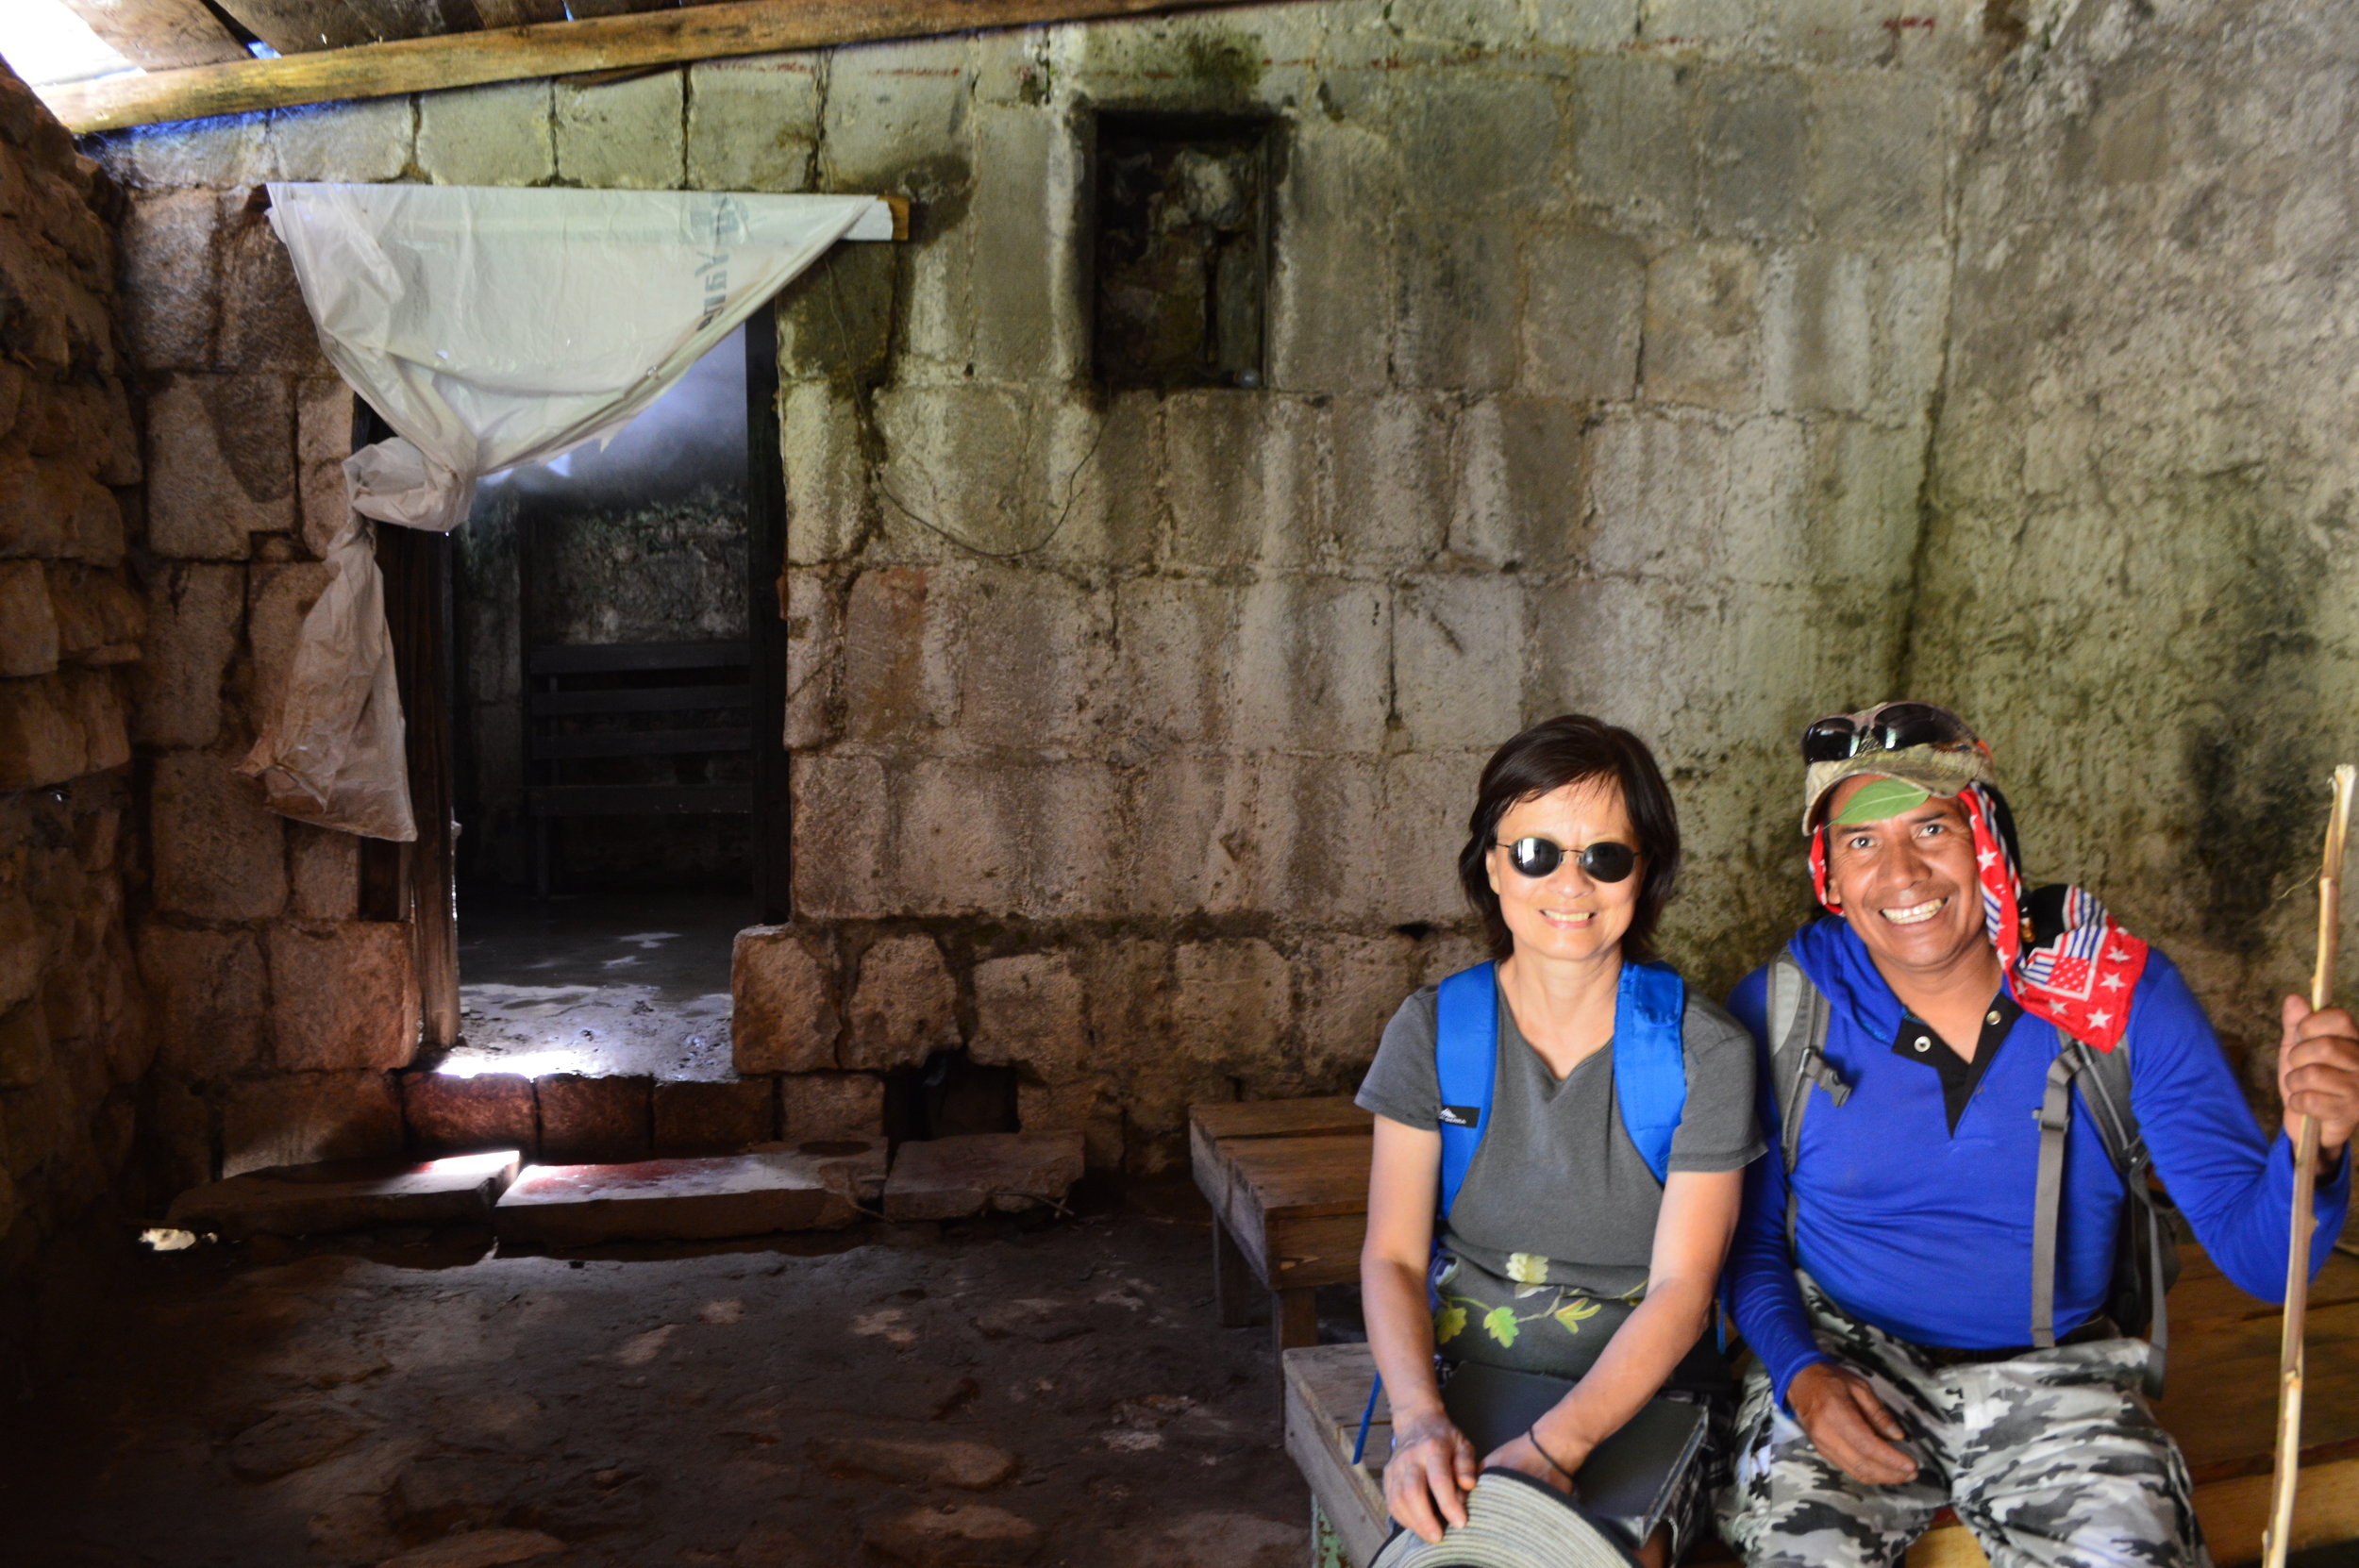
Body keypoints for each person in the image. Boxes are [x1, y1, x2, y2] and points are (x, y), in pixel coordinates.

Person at [1718, 701, 2359, 1568]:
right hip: (1846, 1356)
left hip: (2057, 1376)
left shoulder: (2115, 998)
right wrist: (1801, 1374)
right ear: (1829, 871)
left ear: (1989, 841)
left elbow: (2257, 1258)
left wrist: (2308, 1148)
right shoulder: (1784, 1010)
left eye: (1932, 828)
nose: (1901, 874)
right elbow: (1748, 1241)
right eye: (1861, 843)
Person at [1356, 714, 1765, 1566]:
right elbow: (1392, 1255)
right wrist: (1420, 1419)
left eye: (1605, 856)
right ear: (1493, 866)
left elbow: (1683, 1291)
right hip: (1469, 1379)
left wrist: (1556, 1449)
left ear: (1643, 871)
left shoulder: (1705, 1053)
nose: (1571, 884)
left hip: (1646, 1396)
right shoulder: (1434, 1033)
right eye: (1538, 851)